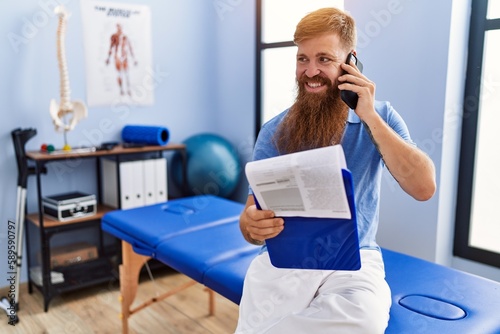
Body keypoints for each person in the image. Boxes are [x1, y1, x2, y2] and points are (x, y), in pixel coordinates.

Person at [236, 7, 436, 334]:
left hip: (355, 260)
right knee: (259, 318)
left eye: (324, 59)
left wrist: (369, 116)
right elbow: (250, 220)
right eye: (303, 59)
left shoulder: (381, 117)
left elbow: (424, 188)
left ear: (351, 62)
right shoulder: (274, 131)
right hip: (285, 260)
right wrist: (250, 224)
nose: (310, 71)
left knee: (365, 319)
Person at [105, 23, 137, 96]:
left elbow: (130, 47)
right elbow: (111, 47)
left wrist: (134, 59)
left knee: (126, 73)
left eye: (120, 27)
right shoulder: (114, 37)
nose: (119, 29)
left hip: (124, 57)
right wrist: (108, 58)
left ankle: (128, 89)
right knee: (119, 74)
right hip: (117, 57)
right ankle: (121, 90)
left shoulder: (125, 37)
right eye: (118, 28)